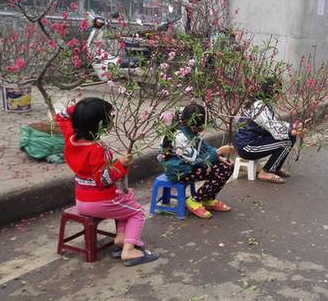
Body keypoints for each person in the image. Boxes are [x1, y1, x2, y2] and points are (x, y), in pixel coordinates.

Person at [56, 97, 159, 267]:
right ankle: (128, 250)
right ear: (100, 124)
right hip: (100, 200)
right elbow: (103, 179)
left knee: (126, 200)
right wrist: (121, 165)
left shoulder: (71, 137)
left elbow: (60, 116)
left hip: (82, 200)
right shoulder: (96, 149)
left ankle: (120, 238)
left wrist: (83, 107)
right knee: (137, 212)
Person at [159, 104, 234, 219]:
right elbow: (196, 161)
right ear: (193, 124)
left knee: (227, 166)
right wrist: (218, 152)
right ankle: (194, 200)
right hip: (179, 171)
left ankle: (207, 198)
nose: (203, 127)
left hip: (188, 165)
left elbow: (204, 147)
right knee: (221, 170)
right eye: (201, 124)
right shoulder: (178, 137)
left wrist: (219, 157)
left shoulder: (190, 131)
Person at [234, 78, 305, 184]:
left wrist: (293, 126)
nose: (278, 95)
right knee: (287, 141)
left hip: (254, 141)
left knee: (289, 137)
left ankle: (274, 167)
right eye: (277, 91)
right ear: (270, 91)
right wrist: (293, 131)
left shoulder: (262, 104)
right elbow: (273, 128)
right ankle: (267, 171)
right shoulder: (259, 106)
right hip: (247, 146)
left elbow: (273, 124)